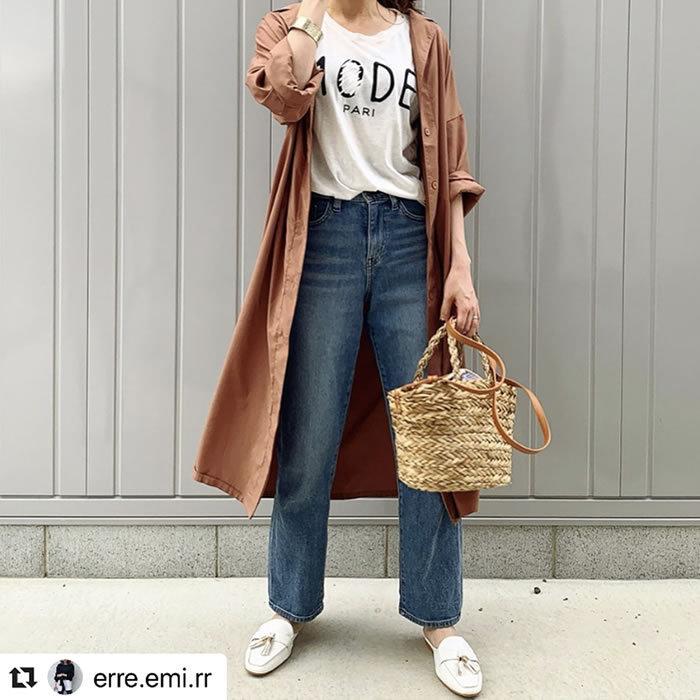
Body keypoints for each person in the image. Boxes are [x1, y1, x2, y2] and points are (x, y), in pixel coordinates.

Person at [231, 0, 485, 696]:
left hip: (407, 238)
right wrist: (313, 13)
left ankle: (439, 618)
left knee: (427, 436)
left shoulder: (423, 39)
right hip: (325, 238)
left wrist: (460, 264)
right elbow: (285, 97)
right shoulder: (289, 26)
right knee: (308, 431)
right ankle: (288, 605)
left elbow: (450, 160)